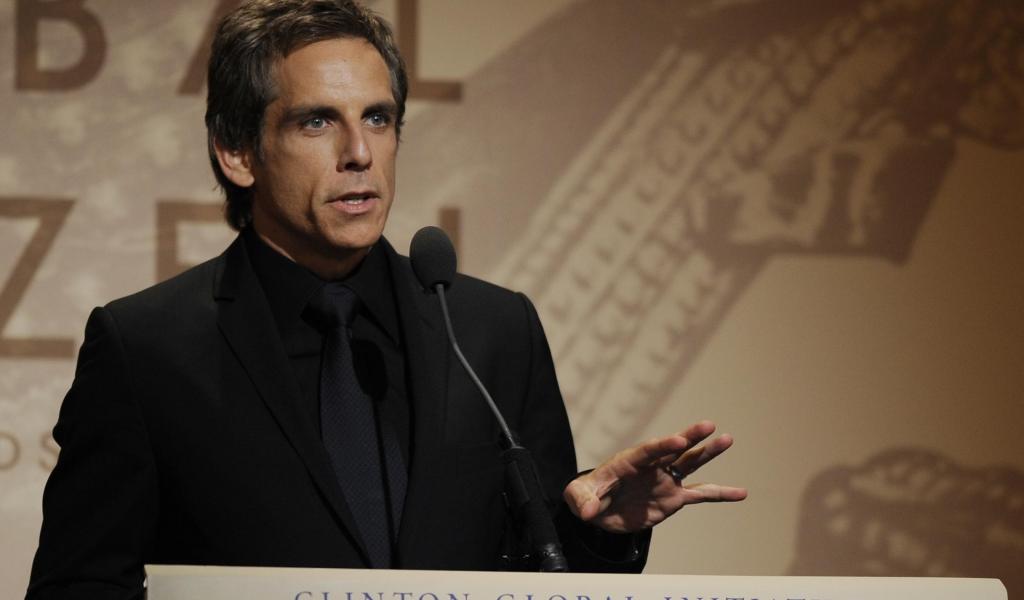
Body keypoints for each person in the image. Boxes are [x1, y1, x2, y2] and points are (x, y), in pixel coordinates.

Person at [26, 1, 747, 597]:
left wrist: (599, 533)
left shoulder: (492, 330)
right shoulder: (147, 348)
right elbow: (80, 585)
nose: (360, 153)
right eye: (317, 121)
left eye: (377, 118)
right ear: (237, 151)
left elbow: (544, 580)